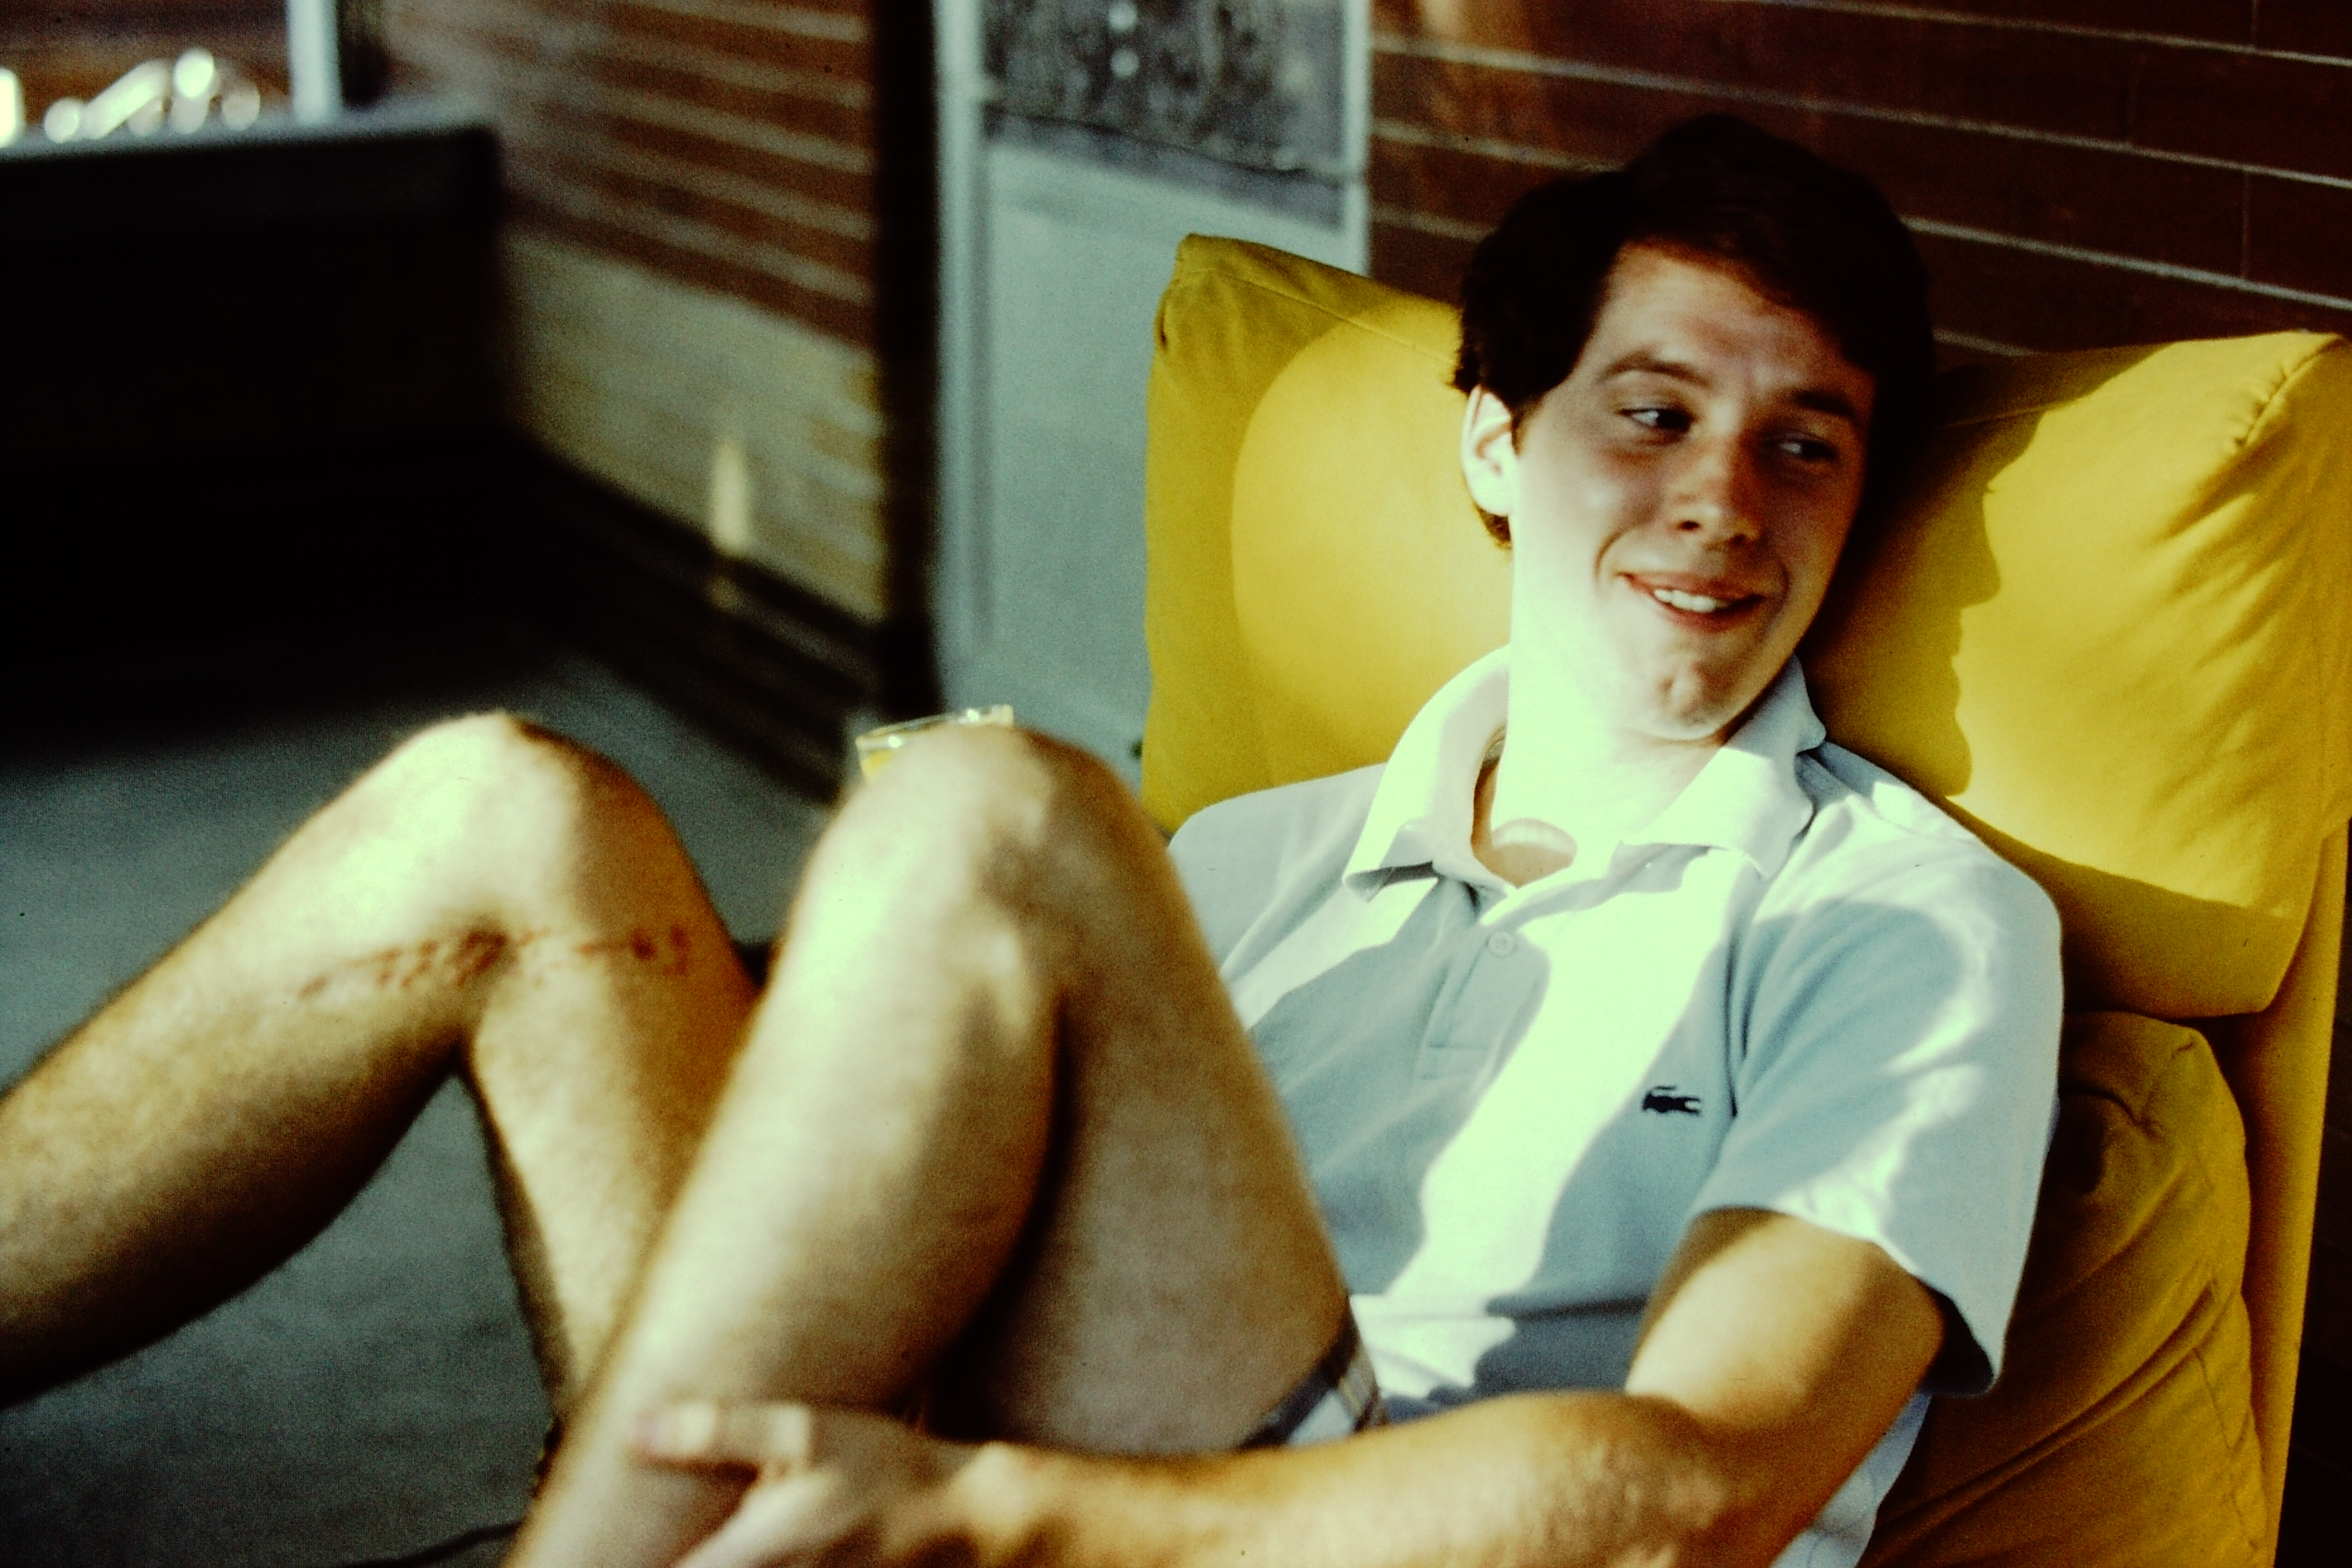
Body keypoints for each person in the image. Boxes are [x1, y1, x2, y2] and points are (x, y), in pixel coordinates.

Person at [0, 115, 2061, 1568]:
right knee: (504, 814)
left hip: (1255, 1542)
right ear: (1498, 445)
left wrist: (1018, 1517)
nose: (1726, 501)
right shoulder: (1254, 860)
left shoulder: (1905, 921)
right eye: (1655, 412)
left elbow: (1702, 1495)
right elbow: (856, 1167)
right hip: (970, 1471)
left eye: (1806, 445)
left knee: (992, 805)